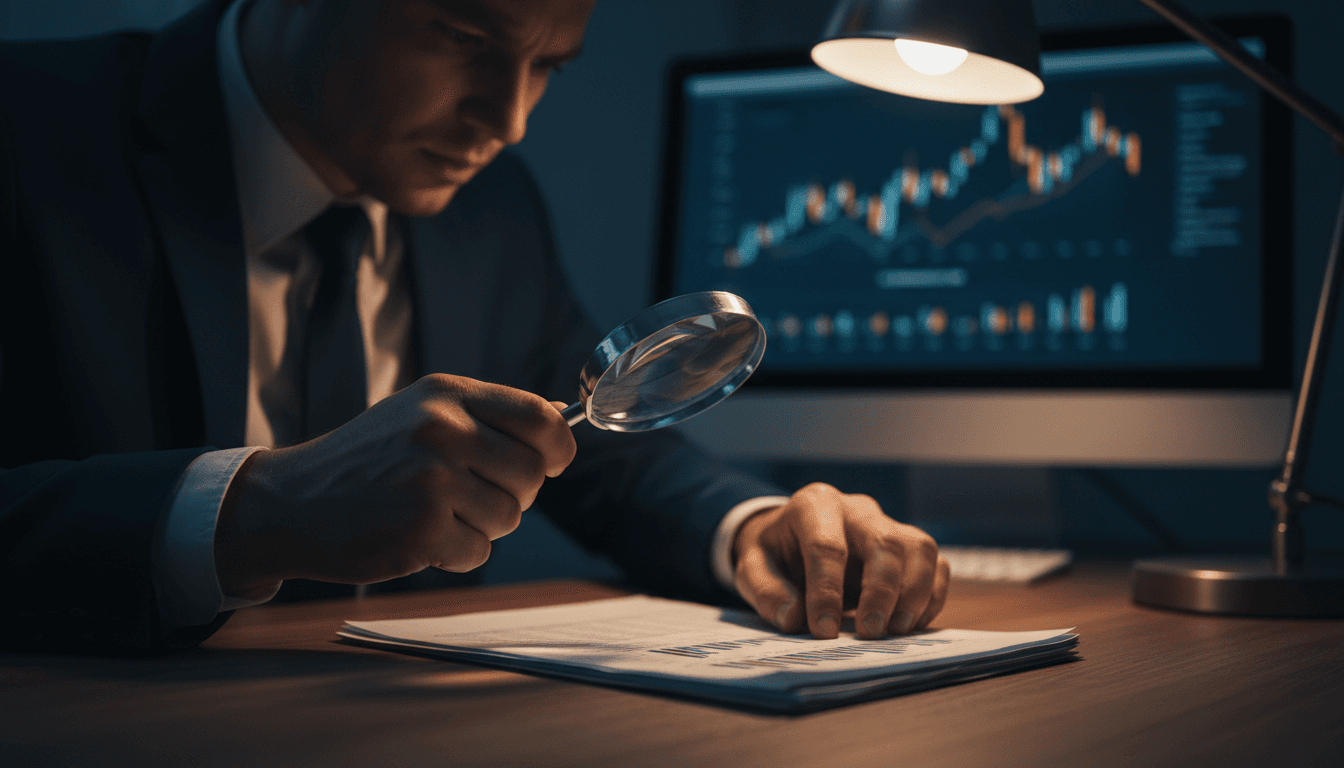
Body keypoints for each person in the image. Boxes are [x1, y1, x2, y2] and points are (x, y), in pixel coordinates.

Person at [0, 0, 949, 654]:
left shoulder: (489, 209)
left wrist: (755, 528)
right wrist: (255, 516)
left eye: (548, 66)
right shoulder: (29, 131)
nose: (509, 119)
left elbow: (610, 462)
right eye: (463, 36)